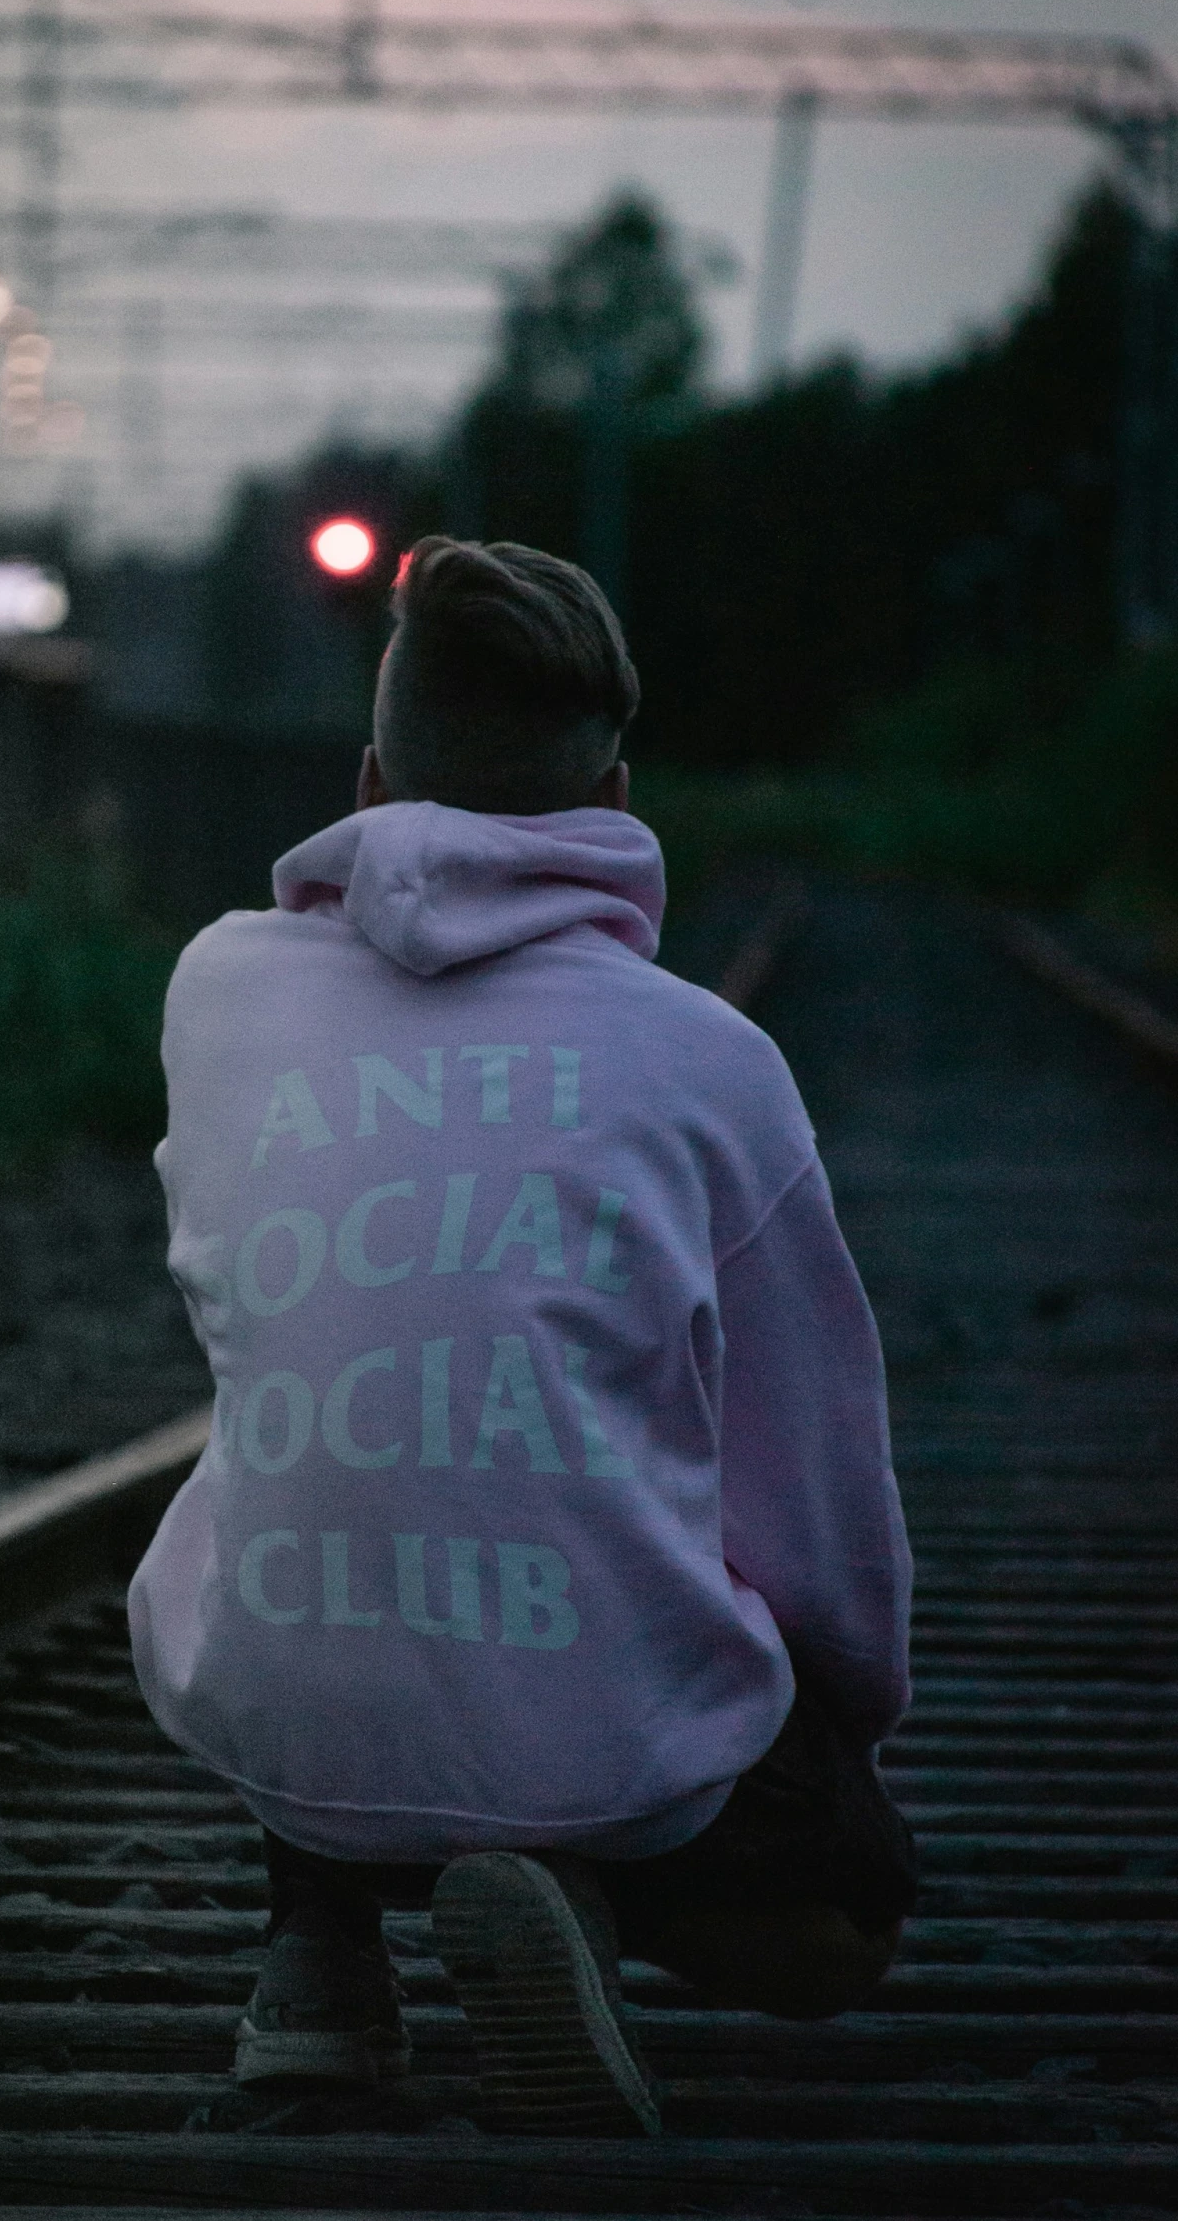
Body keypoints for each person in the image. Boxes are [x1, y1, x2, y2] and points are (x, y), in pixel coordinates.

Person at [128, 536, 915, 2137]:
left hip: (285, 1701)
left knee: (355, 1447)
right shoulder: (715, 1061)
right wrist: (832, 1720)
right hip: (601, 1740)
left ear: (367, 774)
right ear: (613, 792)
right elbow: (812, 1493)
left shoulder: (213, 990)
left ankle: (320, 1966)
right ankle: (571, 1892)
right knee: (854, 1910)